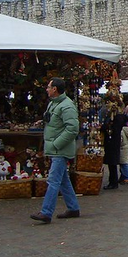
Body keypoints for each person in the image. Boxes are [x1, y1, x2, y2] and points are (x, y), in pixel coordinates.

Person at [30, 77, 81, 224]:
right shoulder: (55, 104)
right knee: (63, 180)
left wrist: (57, 144)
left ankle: (46, 212)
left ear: (55, 89)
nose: (46, 89)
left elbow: (72, 129)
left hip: (60, 149)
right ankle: (73, 208)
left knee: (53, 180)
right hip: (56, 148)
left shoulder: (67, 106)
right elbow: (56, 122)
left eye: (48, 87)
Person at [101, 103, 128, 190]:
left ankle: (113, 182)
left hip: (111, 142)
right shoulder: (119, 118)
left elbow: (109, 128)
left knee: (112, 163)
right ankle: (113, 181)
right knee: (112, 163)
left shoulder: (115, 119)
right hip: (113, 142)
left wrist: (104, 126)